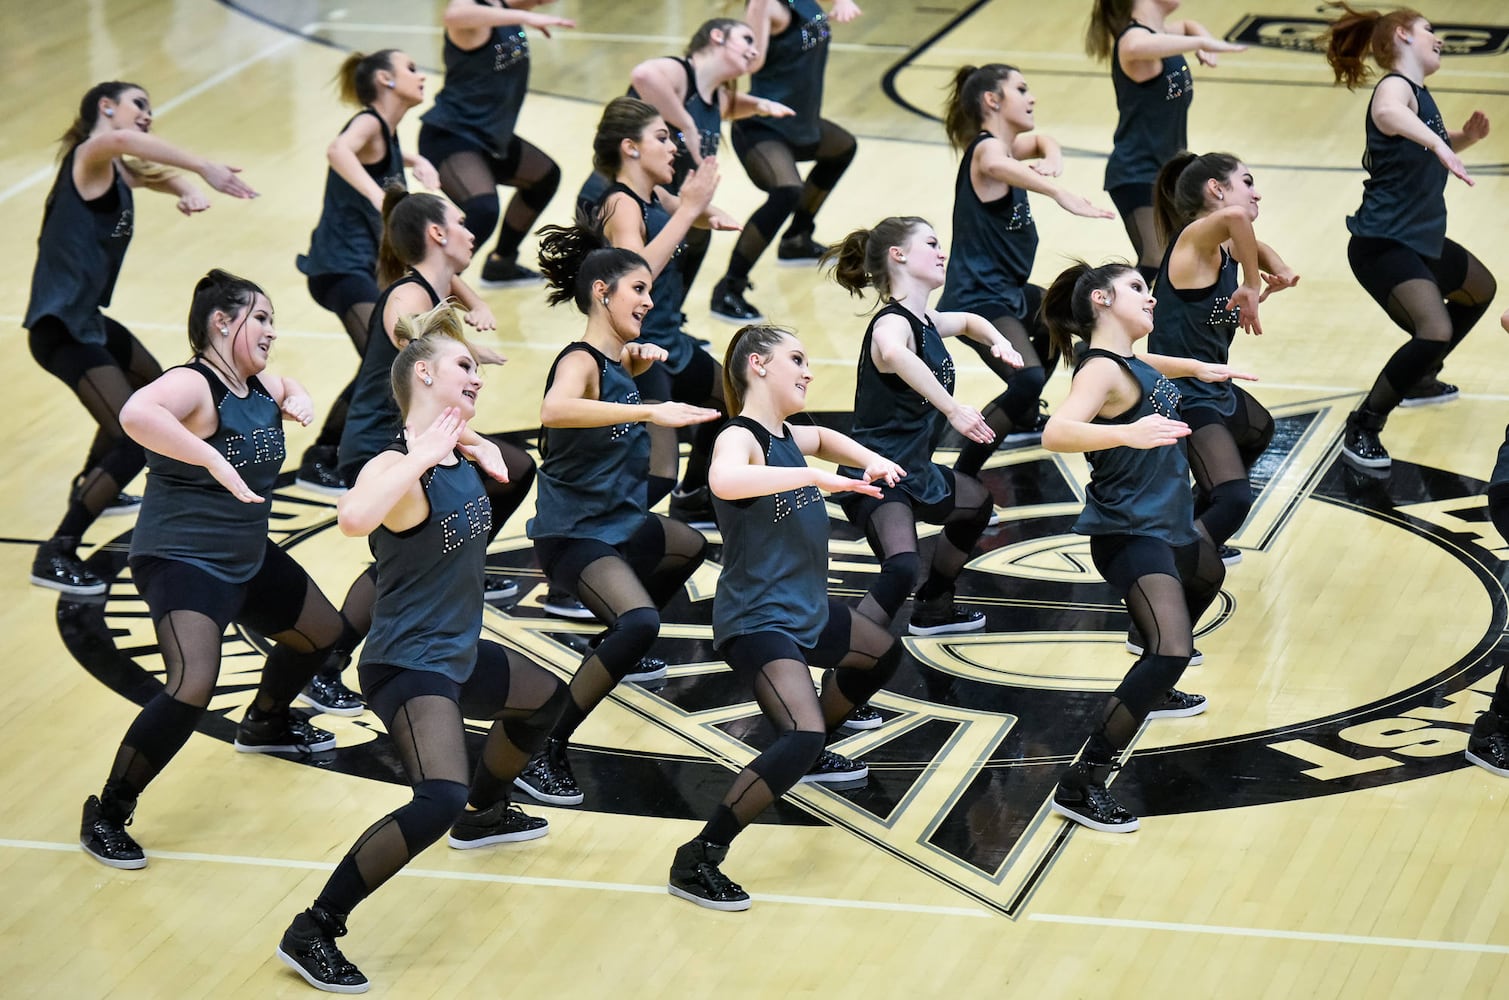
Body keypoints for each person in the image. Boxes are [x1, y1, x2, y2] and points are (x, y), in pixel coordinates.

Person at [275, 305, 567, 994]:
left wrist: (477, 447)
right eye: (463, 366)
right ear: (425, 374)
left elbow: (504, 467)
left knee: (544, 701)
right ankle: (314, 927)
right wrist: (426, 455)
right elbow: (352, 518)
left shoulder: (458, 452)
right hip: (407, 666)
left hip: (457, 653)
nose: (476, 377)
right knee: (436, 795)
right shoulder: (396, 464)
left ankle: (487, 814)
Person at [79, 271, 343, 871]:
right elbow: (134, 412)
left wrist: (296, 395)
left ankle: (265, 721)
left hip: (246, 556)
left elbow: (282, 384)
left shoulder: (252, 383)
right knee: (192, 683)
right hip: (182, 559)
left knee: (322, 635)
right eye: (261, 319)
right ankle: (108, 810)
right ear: (222, 323)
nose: (272, 331)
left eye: (273, 320)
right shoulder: (191, 383)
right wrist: (212, 461)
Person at [668, 323, 904, 909]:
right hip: (757, 619)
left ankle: (808, 747)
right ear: (757, 365)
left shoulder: (788, 434)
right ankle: (698, 857)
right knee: (801, 733)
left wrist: (872, 459)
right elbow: (722, 478)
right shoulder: (739, 437)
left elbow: (823, 436)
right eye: (795, 358)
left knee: (883, 654)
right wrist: (815, 477)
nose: (807, 369)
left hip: (806, 610)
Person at [301, 190, 531, 717]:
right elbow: (417, 364)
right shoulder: (408, 299)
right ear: (435, 234)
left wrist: (475, 307)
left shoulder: (432, 287)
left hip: (414, 437)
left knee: (507, 474)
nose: (472, 232)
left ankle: (451, 556)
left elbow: (450, 292)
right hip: (382, 442)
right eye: (460, 223)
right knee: (400, 554)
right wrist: (468, 417)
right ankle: (326, 663)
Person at [1039, 260, 1250, 832]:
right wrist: (1127, 433)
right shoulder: (1100, 373)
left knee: (1208, 576)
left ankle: (1149, 682)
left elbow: (1149, 368)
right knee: (1170, 652)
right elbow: (1055, 432)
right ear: (1103, 300)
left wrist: (1201, 368)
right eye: (1137, 288)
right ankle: (1080, 785)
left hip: (1171, 526)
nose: (1150, 297)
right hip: (1129, 533)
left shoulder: (1125, 362)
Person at [25, 81, 257, 595]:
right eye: (139, 106)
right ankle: (57, 551)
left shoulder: (112, 169)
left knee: (155, 387)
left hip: (86, 320)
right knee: (139, 431)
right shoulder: (91, 153)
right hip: (60, 327)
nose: (148, 115)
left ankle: (93, 487)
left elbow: (145, 173)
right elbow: (122, 149)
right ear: (106, 108)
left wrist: (184, 189)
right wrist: (204, 168)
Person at [517, 225, 720, 807]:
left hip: (618, 522)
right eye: (639, 288)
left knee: (686, 544)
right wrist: (653, 406)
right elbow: (555, 408)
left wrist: (641, 370)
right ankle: (544, 745)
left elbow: (616, 397)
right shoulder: (580, 360)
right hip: (573, 533)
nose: (650, 301)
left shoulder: (614, 363)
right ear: (602, 292)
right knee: (639, 624)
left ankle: (616, 652)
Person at [823, 216, 1023, 636]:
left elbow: (969, 321)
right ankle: (846, 662)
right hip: (879, 472)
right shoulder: (891, 323)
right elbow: (894, 354)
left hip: (916, 469)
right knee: (900, 567)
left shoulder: (927, 321)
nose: (941, 252)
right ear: (898, 255)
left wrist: (998, 341)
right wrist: (952, 409)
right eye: (931, 243)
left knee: (976, 504)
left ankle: (934, 605)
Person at [1324, 4, 1495, 470]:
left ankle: (1420, 375)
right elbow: (1387, 112)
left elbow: (1418, 137)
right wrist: (1441, 144)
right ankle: (1364, 423)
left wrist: (1462, 138)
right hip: (1383, 242)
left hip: (1418, 239)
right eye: (1429, 30)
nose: (1438, 37)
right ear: (1402, 36)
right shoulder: (1395, 87)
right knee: (1434, 328)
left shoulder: (1418, 93)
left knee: (1479, 290)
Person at [937, 64, 1115, 478]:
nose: (1031, 97)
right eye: (1021, 89)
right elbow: (998, 165)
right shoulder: (986, 151)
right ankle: (962, 476)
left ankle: (1024, 415)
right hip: (978, 299)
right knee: (1027, 378)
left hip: (1009, 291)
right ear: (992, 100)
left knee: (1065, 317)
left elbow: (1040, 140)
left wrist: (1052, 158)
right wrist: (1058, 191)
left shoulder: (1007, 147)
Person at [294, 49, 453, 494]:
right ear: (384, 79)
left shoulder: (392, 135)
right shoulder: (369, 122)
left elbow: (379, 161)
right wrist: (381, 199)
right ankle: (324, 456)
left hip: (357, 267)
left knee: (384, 360)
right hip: (338, 266)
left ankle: (335, 450)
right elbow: (337, 149)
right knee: (383, 361)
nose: (422, 76)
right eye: (412, 68)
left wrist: (413, 162)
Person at [576, 16, 790, 313]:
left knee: (696, 236)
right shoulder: (679, 73)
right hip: (614, 197)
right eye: (747, 40)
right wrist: (686, 125)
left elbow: (727, 104)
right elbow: (643, 74)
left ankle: (671, 324)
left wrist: (759, 105)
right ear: (717, 36)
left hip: (658, 201)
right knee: (629, 286)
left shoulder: (715, 97)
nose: (754, 50)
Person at [1147, 151, 1298, 568]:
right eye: (1247, 182)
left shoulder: (1221, 242)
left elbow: (1248, 239)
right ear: (1216, 189)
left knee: (1258, 430)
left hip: (1208, 383)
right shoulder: (1194, 240)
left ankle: (1190, 526)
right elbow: (1236, 220)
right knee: (1232, 500)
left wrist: (1278, 267)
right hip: (1180, 391)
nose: (1257, 193)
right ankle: (1174, 563)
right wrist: (1251, 284)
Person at [594, 96, 730, 526]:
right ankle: (587, 541)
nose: (673, 147)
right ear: (630, 148)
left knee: (730, 399)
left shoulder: (652, 195)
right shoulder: (621, 204)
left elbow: (690, 215)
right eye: (662, 138)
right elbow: (635, 278)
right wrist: (691, 207)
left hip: (672, 342)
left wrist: (706, 210)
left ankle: (694, 495)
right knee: (658, 473)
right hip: (641, 351)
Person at [708, 0, 862, 323]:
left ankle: (797, 239)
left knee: (842, 148)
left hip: (799, 121)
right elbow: (754, 61)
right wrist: (728, 54)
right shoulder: (764, 5)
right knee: (786, 190)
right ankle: (729, 288)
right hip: (763, 124)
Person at [1085, 0, 1245, 285]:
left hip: (1167, 175)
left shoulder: (1159, 32)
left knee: (1178, 261)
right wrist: (1205, 42)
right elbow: (1133, 47)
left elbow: (1184, 25)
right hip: (1137, 172)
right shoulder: (1133, 38)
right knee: (1157, 262)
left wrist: (1200, 38)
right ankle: (1101, 313)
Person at [419, 0, 576, 288]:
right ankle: (426, 287)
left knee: (544, 177)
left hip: (490, 138)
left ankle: (501, 264)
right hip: (451, 136)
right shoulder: (476, 13)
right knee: (483, 209)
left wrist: (521, 14)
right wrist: (520, 16)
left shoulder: (503, 11)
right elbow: (453, 14)